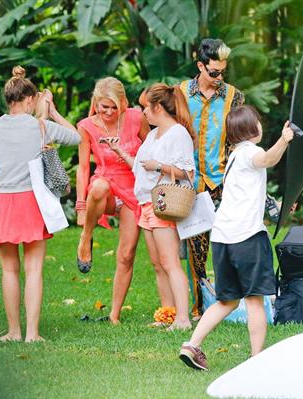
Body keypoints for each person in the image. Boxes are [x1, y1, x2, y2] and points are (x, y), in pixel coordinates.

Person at [180, 106, 294, 370]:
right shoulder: (251, 152)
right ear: (253, 128)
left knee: (227, 300)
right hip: (246, 237)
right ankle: (256, 359)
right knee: (255, 299)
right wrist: (284, 139)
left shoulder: (234, 157)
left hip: (222, 238)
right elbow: (267, 160)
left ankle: (191, 345)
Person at [0, 66, 79, 342]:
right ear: (29, 100)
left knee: (9, 270)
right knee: (33, 269)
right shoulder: (41, 126)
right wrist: (51, 112)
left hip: (1, 199)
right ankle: (32, 334)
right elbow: (76, 137)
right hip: (30, 200)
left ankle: (13, 331)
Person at [113, 83, 196, 330]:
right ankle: (167, 314)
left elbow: (188, 173)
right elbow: (142, 167)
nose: (143, 113)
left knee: (170, 261)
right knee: (158, 263)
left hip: (163, 202)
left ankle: (183, 319)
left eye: (145, 107)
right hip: (145, 204)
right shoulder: (153, 134)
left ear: (158, 107)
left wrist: (160, 166)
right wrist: (120, 152)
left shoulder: (177, 133)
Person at [75, 77, 150, 324]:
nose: (108, 112)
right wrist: (80, 205)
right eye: (102, 106)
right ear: (95, 102)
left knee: (127, 254)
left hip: (133, 190)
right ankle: (86, 236)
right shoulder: (86, 126)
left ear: (123, 103)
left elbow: (152, 149)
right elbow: (83, 168)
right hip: (105, 188)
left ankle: (115, 315)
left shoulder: (136, 118)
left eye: (113, 107)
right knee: (98, 186)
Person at [179, 38, 245, 319]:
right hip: (190, 183)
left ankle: (228, 303)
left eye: (223, 72)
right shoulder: (181, 92)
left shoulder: (234, 96)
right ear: (200, 66)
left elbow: (239, 138)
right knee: (196, 249)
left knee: (228, 244)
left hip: (223, 181)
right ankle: (197, 308)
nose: (219, 78)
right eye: (214, 72)